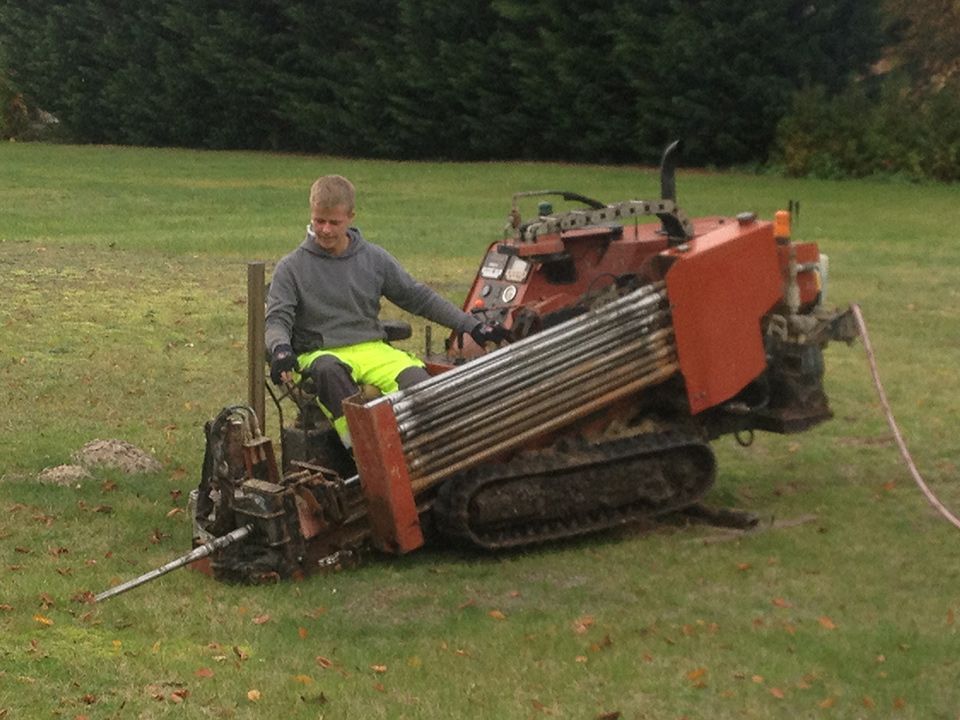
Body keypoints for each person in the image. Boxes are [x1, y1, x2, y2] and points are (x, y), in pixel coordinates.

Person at [265, 174, 508, 448]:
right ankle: (363, 454)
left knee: (419, 384)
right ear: (311, 213)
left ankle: (424, 451)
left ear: (351, 216)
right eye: (319, 220)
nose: (325, 230)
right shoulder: (291, 267)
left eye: (334, 222)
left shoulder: (374, 259)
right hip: (320, 354)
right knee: (330, 373)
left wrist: (471, 325)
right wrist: (280, 350)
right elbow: (277, 318)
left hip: (372, 349)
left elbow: (419, 297)